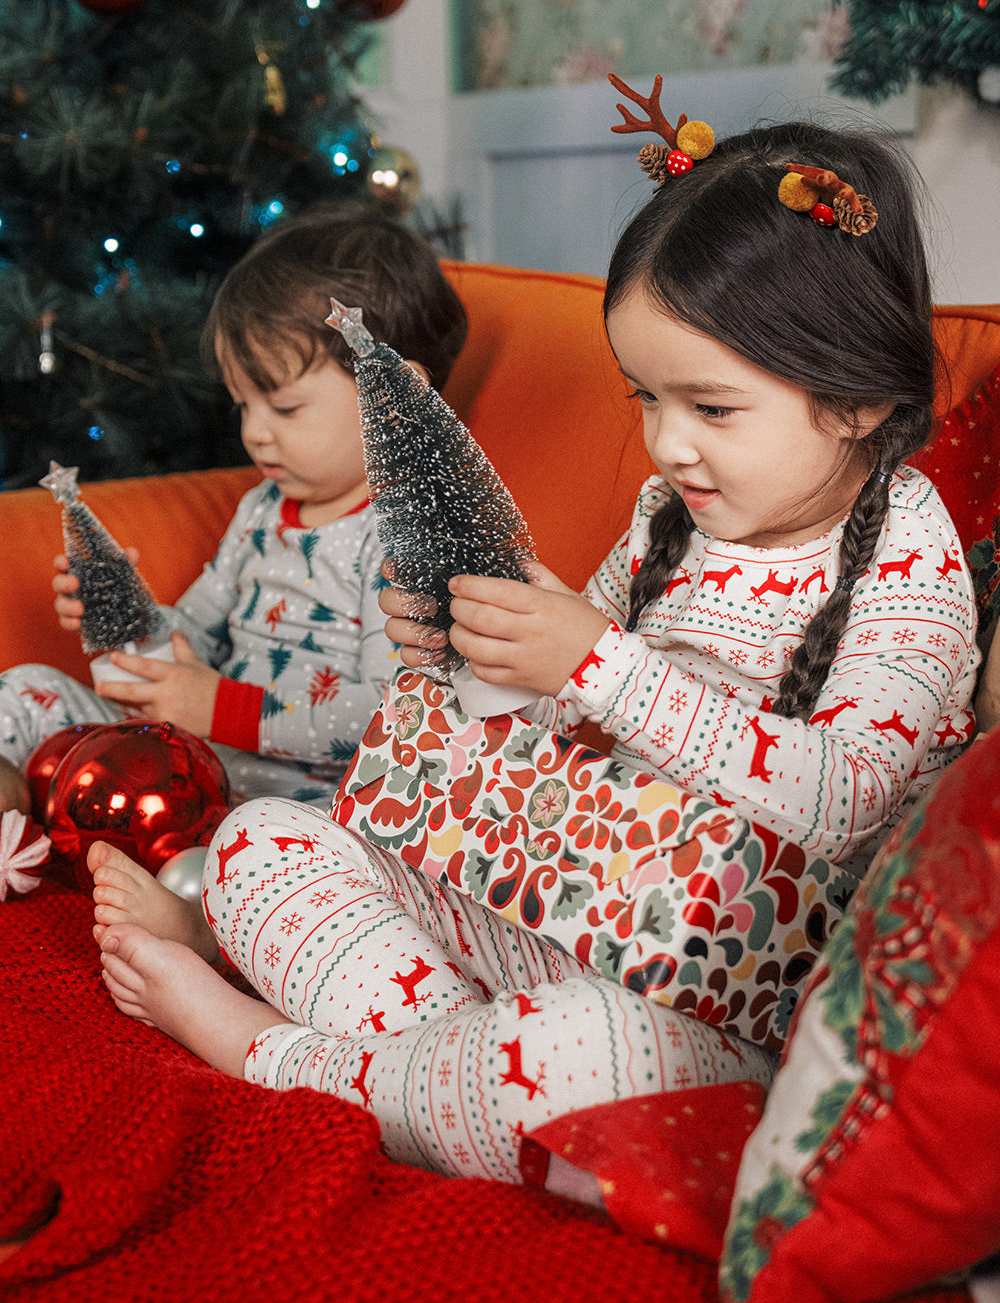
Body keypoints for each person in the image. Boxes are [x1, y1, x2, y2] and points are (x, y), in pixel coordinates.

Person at [91, 108, 978, 1198]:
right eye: (644, 399)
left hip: (714, 991)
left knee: (585, 1055)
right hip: (547, 901)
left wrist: (595, 661)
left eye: (711, 406)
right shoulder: (669, 516)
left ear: (855, 398)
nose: (667, 444)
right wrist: (475, 653)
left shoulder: (905, 553)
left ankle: (273, 1056)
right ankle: (443, 1076)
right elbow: (552, 717)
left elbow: (843, 797)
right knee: (256, 844)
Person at [0, 206, 468, 810]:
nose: (255, 434)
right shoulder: (261, 508)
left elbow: (394, 712)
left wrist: (221, 708)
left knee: (272, 846)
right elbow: (195, 632)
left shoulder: (408, 535)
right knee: (21, 692)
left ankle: (186, 884)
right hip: (193, 758)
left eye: (283, 407)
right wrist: (132, 619)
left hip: (305, 805)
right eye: (242, 405)